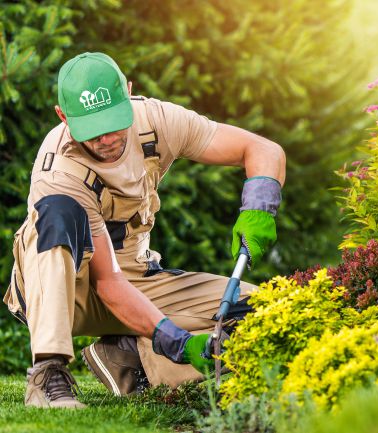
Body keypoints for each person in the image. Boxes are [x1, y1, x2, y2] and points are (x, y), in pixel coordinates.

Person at [2, 52, 286, 409]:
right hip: (67, 290)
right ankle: (48, 374)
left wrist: (259, 209)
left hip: (136, 278)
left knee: (265, 310)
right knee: (56, 213)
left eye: (113, 121)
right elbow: (107, 283)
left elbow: (261, 148)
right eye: (93, 128)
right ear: (63, 116)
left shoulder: (157, 120)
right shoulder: (59, 170)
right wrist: (177, 340)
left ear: (129, 93)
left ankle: (129, 357)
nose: (106, 138)